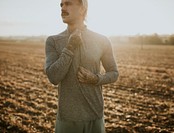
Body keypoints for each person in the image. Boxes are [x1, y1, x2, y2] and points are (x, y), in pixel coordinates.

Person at [45, 0, 119, 132]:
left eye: (68, 3)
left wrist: (96, 79)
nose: (62, 8)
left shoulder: (101, 40)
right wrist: (70, 47)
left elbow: (114, 73)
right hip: (68, 119)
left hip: (95, 116)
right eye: (61, 4)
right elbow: (53, 77)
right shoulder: (53, 41)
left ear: (82, 8)